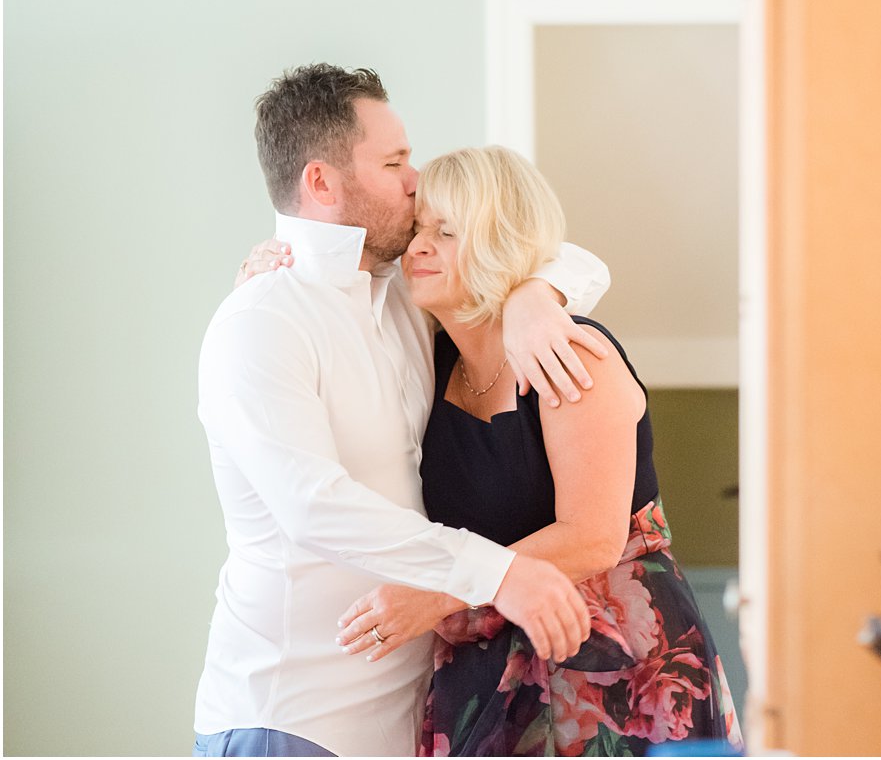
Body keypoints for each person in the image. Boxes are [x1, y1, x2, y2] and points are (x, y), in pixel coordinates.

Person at [196, 64, 610, 757]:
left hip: (404, 721)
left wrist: (537, 294)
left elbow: (551, 250)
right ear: (322, 182)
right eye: (393, 163)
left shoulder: (402, 299)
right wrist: (499, 573)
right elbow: (313, 505)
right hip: (291, 717)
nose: (415, 180)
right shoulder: (261, 320)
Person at [323, 145, 746, 756]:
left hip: (612, 665)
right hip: (485, 669)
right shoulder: (428, 363)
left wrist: (435, 595)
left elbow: (592, 537)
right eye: (418, 230)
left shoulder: (571, 354)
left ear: (500, 243)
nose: (418, 248)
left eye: (446, 232)